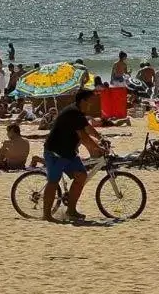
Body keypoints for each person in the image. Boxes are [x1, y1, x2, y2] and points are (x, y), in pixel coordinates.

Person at [41, 89, 104, 222]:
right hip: (56, 152)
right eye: (91, 101)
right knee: (53, 182)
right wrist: (97, 148)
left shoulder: (79, 113)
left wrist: (100, 138)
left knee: (81, 176)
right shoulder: (73, 113)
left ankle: (71, 210)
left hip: (68, 152)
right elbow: (84, 137)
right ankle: (46, 215)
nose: (92, 104)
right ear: (83, 101)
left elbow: (87, 128)